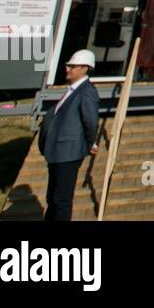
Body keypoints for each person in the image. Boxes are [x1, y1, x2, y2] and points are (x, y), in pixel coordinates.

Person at [38, 49, 100, 220]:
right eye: (68, 66)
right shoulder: (72, 91)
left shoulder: (87, 91)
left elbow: (90, 121)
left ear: (85, 68)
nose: (67, 69)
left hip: (69, 152)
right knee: (53, 198)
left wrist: (90, 143)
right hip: (58, 152)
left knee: (61, 200)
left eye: (72, 66)